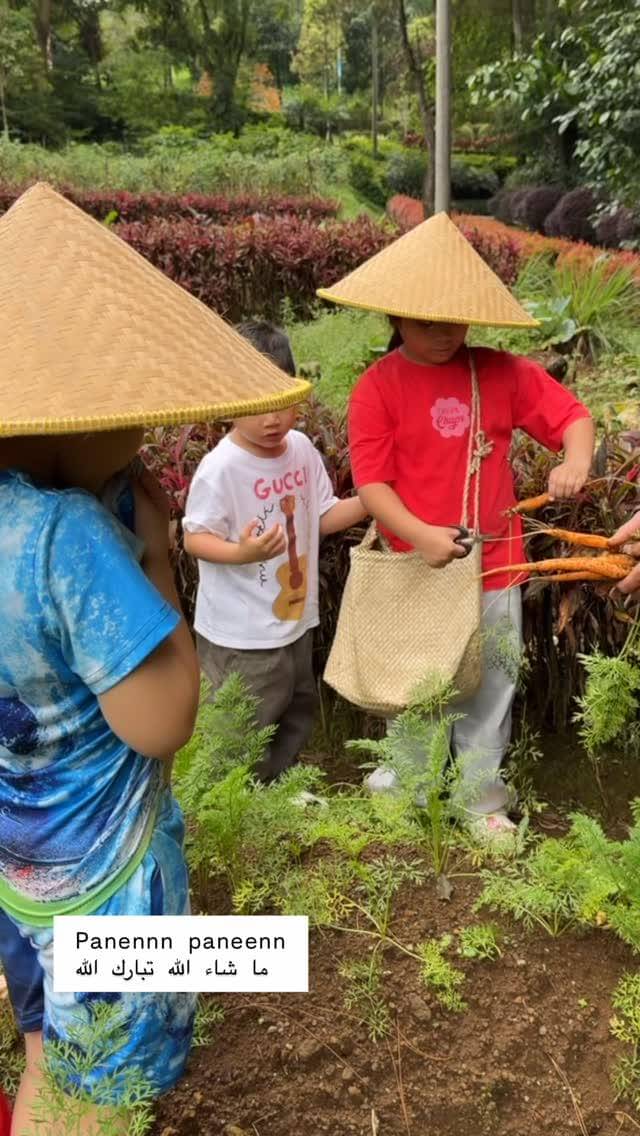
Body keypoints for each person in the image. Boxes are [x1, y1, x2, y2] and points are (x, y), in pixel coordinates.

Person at [0, 184, 308, 1136]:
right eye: (128, 406)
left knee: (48, 1039)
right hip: (108, 874)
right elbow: (164, 719)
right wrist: (156, 556)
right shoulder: (67, 537)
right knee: (113, 1094)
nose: (143, 424)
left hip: (20, 862)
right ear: (70, 417)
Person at [317, 212, 594, 843]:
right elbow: (373, 487)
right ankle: (410, 780)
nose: (445, 335)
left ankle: (479, 797)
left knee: (492, 682)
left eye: (455, 321)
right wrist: (421, 535)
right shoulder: (376, 389)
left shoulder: (501, 372)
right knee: (418, 681)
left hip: (495, 563)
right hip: (418, 565)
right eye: (426, 323)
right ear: (395, 318)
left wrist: (575, 459)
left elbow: (571, 416)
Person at [183, 320, 367, 782]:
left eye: (282, 400)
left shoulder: (301, 450)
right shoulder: (221, 467)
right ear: (228, 400)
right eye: (258, 405)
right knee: (243, 719)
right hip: (240, 632)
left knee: (295, 705)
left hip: (292, 618)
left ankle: (278, 785)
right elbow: (194, 537)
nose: (273, 418)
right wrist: (242, 552)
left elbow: (320, 516)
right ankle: (230, 796)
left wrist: (374, 500)